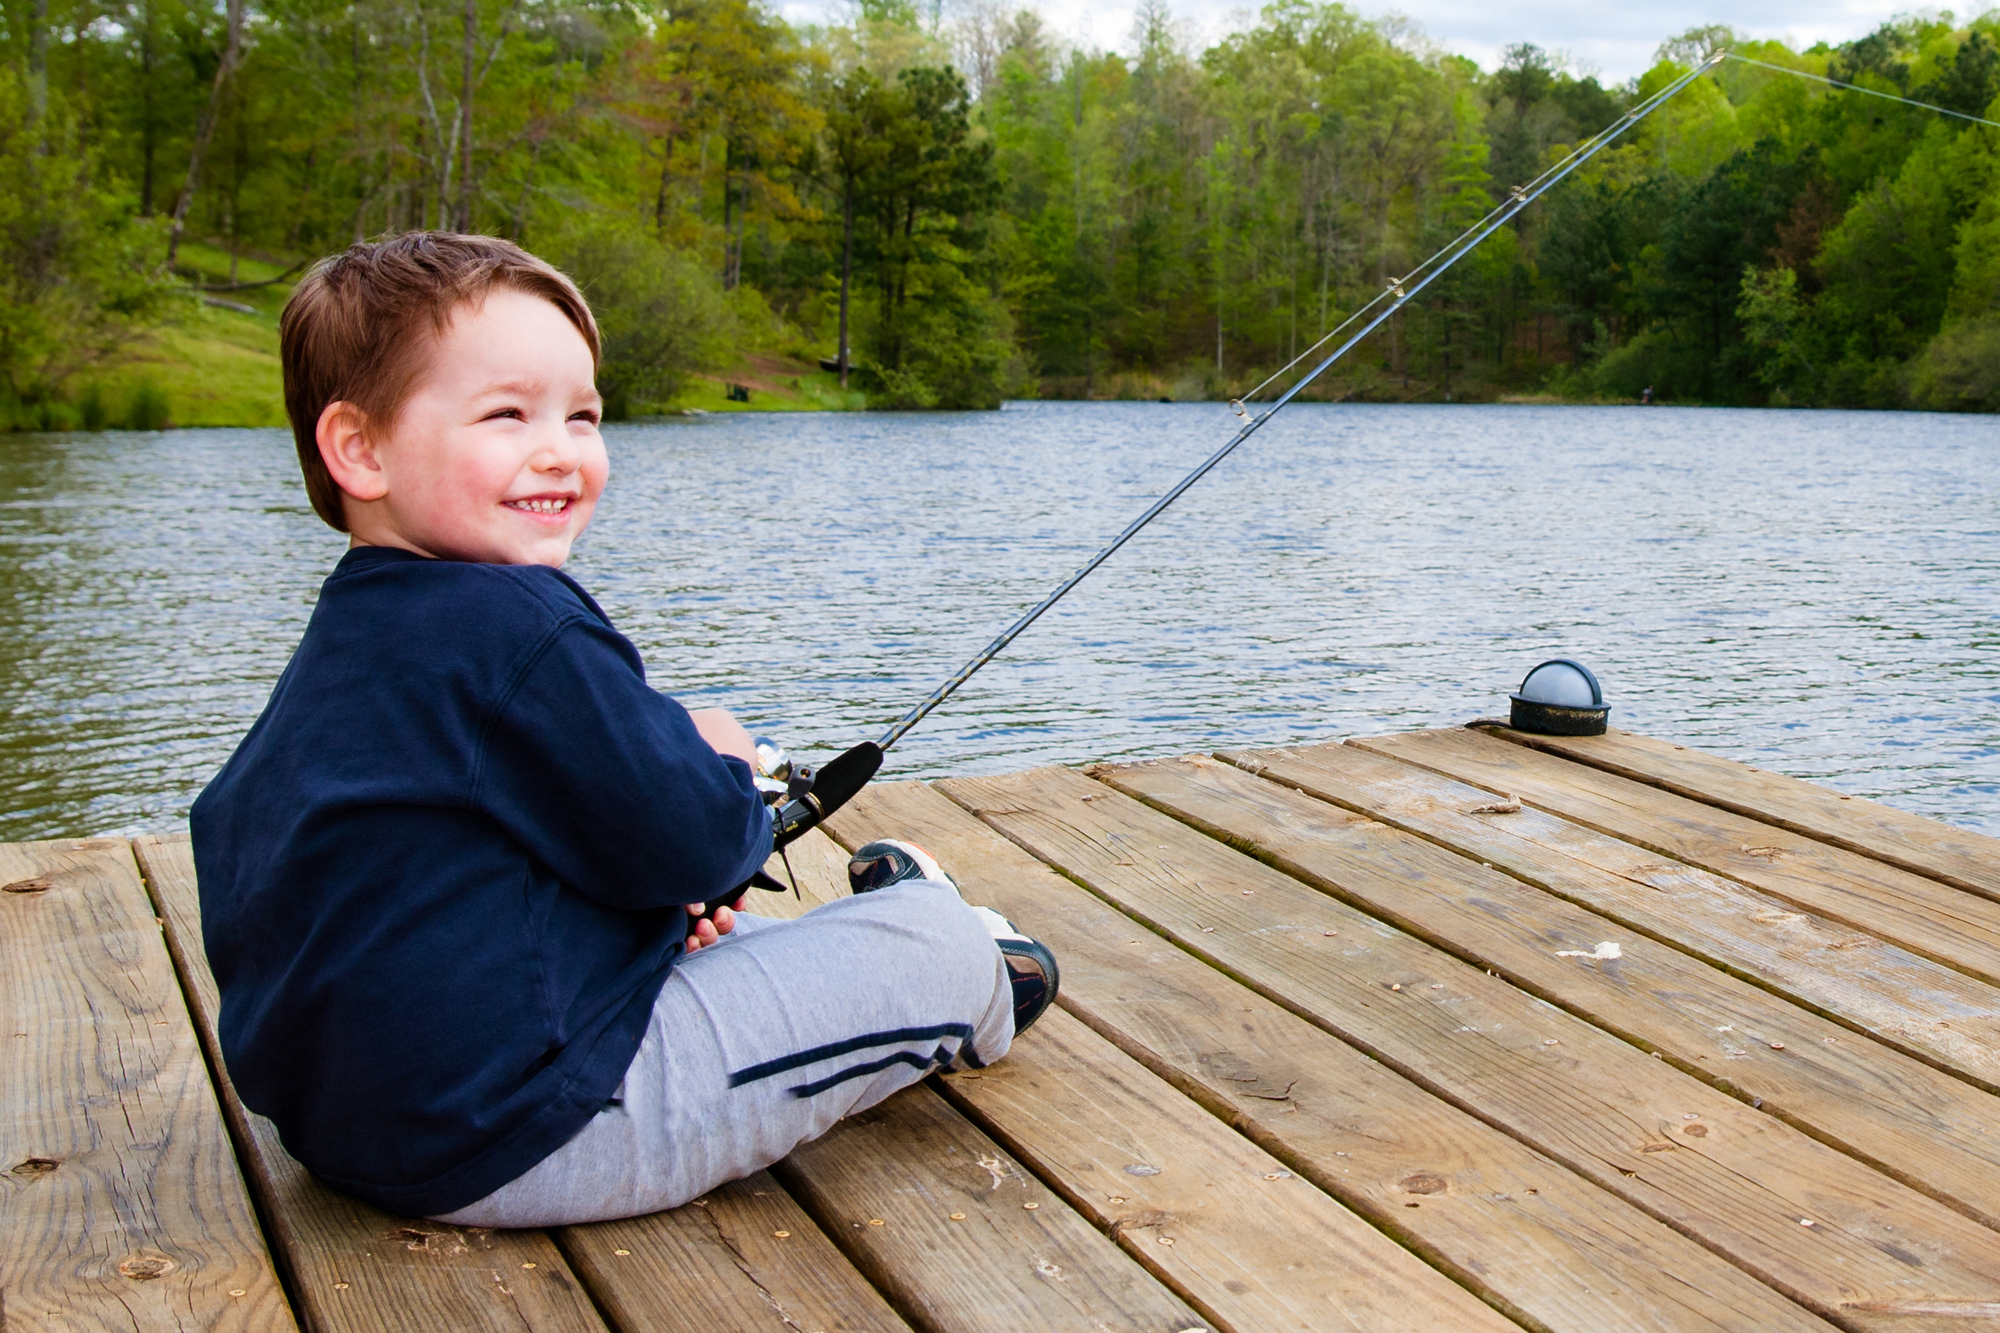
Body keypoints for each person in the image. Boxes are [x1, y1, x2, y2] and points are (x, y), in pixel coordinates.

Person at [190, 231, 1058, 1228]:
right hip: (526, 1130)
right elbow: (690, 835)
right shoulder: (521, 621)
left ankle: (874, 928)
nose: (559, 447)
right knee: (928, 950)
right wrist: (726, 765)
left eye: (583, 414)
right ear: (360, 448)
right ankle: (973, 958)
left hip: (347, 1128)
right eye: (507, 414)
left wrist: (634, 911)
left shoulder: (355, 637)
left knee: (721, 944)